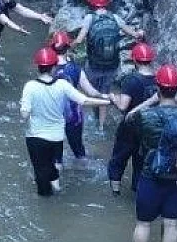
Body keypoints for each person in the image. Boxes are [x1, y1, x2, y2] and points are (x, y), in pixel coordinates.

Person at [128, 64, 177, 242]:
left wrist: (149, 102)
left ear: (157, 88)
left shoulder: (147, 116)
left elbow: (129, 118)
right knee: (171, 223)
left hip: (151, 175)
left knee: (143, 223)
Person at [20, 46, 112, 197]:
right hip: (56, 137)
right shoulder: (62, 85)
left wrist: (26, 109)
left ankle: (46, 200)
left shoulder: (30, 86)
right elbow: (84, 100)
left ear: (38, 66)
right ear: (54, 66)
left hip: (35, 137)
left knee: (40, 169)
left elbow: (24, 115)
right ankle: (56, 188)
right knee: (55, 164)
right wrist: (107, 102)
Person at [73, 0, 144, 129]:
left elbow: (80, 40)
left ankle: (86, 120)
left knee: (89, 89)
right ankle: (101, 126)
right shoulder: (115, 18)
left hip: (93, 65)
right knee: (105, 91)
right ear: (106, 3)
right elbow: (134, 34)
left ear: (91, 4)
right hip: (112, 65)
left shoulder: (89, 18)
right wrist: (140, 33)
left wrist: (69, 45)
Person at [106, 41, 159, 195]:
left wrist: (113, 98)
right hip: (149, 129)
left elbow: (123, 106)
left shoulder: (132, 80)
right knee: (140, 162)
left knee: (119, 158)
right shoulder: (157, 80)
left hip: (129, 127)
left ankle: (115, 191)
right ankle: (137, 192)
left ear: (134, 60)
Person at [48, 32, 100, 165]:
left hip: (54, 115)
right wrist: (106, 96)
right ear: (68, 48)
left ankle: (56, 181)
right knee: (78, 150)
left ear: (52, 48)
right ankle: (84, 169)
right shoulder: (76, 69)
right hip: (74, 115)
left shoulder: (47, 69)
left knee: (54, 154)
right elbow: (91, 92)